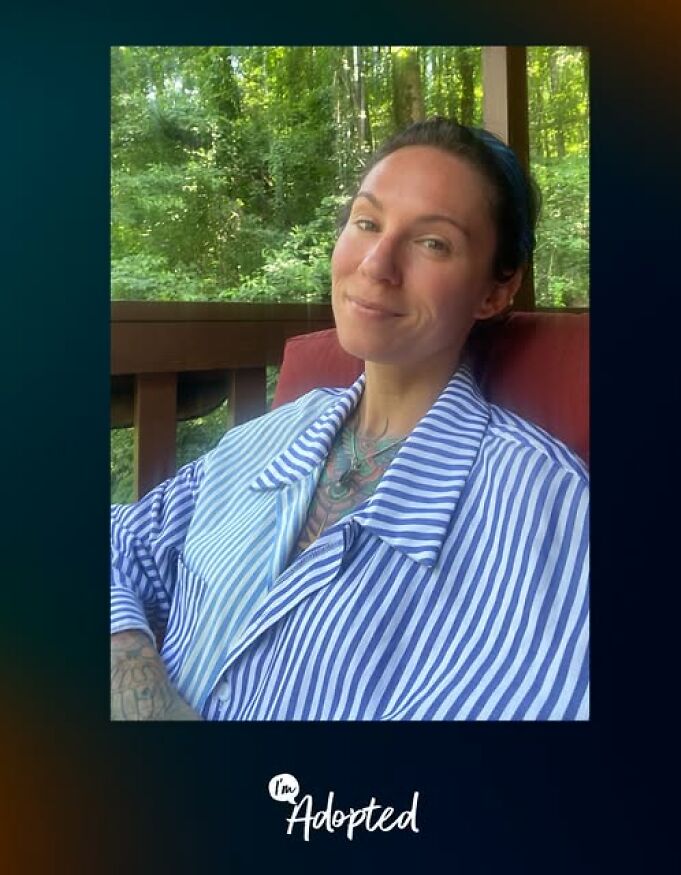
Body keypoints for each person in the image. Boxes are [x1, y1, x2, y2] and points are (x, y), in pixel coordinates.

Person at [111, 117, 589, 721]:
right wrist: (135, 672)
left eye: (432, 242)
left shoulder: (549, 512)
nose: (376, 264)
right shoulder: (261, 441)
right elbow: (117, 540)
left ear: (496, 292)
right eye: (366, 222)